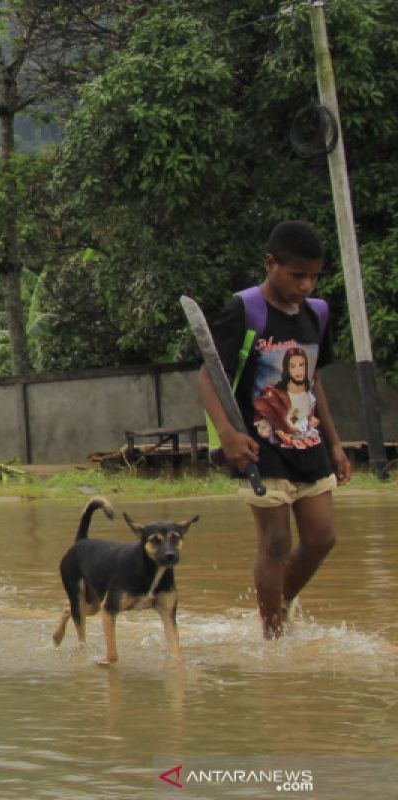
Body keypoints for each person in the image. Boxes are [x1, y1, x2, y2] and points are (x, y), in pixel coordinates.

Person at [199, 220, 351, 639]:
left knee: (322, 538)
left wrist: (335, 443)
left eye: (314, 276)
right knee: (277, 544)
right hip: (260, 448)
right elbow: (207, 377)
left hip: (309, 441)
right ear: (271, 264)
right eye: (297, 275)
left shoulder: (317, 313)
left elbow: (315, 379)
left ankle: (276, 606)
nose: (306, 285)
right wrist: (228, 434)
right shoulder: (245, 309)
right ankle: (273, 637)